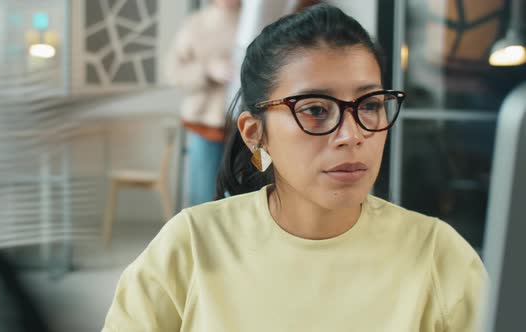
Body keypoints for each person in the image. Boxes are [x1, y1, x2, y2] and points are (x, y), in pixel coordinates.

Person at [103, 4, 486, 331]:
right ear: (256, 134)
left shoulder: (438, 255)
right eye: (316, 110)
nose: (351, 135)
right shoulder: (190, 247)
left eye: (369, 105)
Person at [166, 0, 240, 206]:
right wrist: (207, 70)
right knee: (203, 198)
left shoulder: (255, 21)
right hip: (206, 124)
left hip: (247, 127)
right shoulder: (195, 24)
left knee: (242, 199)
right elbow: (173, 73)